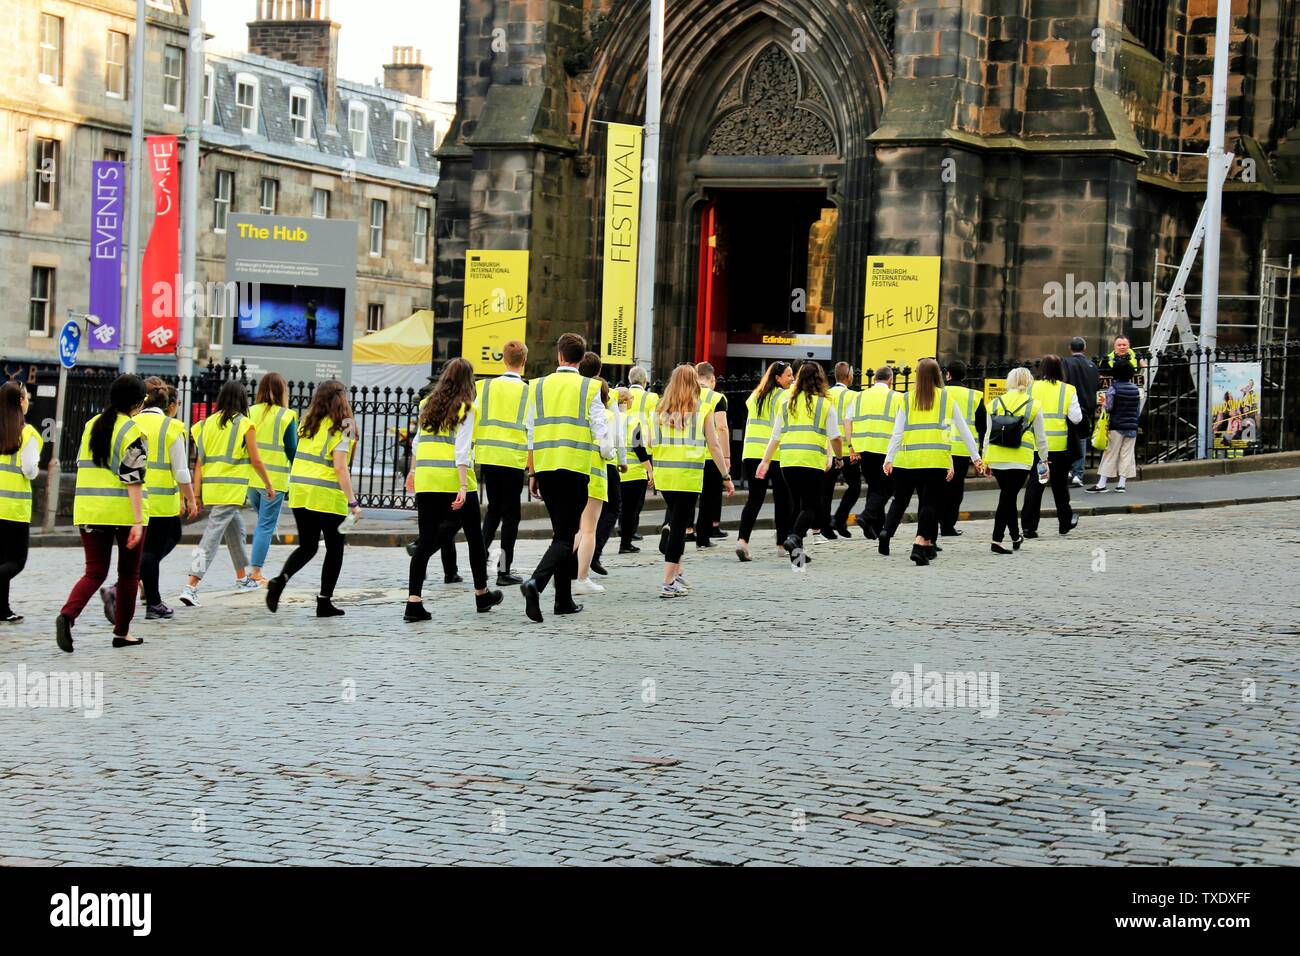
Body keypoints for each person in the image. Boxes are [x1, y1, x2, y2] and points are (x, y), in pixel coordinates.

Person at [519, 333, 613, 623]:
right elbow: (602, 432)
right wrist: (608, 454)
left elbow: (531, 431)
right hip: (574, 468)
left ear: (559, 356)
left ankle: (564, 601)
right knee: (566, 536)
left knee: (561, 531)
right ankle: (536, 582)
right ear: (582, 359)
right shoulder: (589, 388)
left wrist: (532, 471)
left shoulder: (537, 386)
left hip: (546, 467)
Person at [404, 357, 504, 619]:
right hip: (453, 479)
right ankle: (481, 595)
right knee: (473, 538)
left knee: (426, 539)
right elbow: (461, 449)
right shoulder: (467, 408)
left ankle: (413, 602)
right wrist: (462, 484)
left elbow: (417, 442)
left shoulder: (426, 405)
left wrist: (413, 471)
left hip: (427, 477)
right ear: (468, 382)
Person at [56, 374, 149, 652]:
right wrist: (137, 520)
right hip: (120, 512)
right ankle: (122, 633)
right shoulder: (132, 431)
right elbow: (134, 478)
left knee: (94, 572)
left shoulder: (91, 425)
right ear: (137, 402)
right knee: (129, 574)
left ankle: (67, 615)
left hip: (88, 508)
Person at [266, 380, 362, 617]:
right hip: (327, 495)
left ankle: (281, 579)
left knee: (308, 546)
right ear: (342, 399)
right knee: (335, 549)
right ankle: (324, 601)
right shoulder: (346, 425)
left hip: (300, 490)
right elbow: (341, 467)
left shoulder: (307, 423)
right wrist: (353, 502)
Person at [179, 380, 275, 607]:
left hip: (213, 490)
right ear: (243, 400)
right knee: (210, 539)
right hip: (231, 489)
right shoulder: (245, 424)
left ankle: (243, 578)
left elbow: (200, 464)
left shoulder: (203, 425)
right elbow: (256, 459)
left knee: (237, 528)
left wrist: (198, 494)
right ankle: (191, 585)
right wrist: (268, 484)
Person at [880, 358, 984, 565]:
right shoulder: (945, 398)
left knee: (908, 501)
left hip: (910, 460)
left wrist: (889, 458)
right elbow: (963, 431)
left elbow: (898, 433)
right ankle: (920, 542)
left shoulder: (907, 399)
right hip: (936, 459)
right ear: (938, 374)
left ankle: (925, 546)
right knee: (930, 504)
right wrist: (976, 457)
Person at [649, 364, 734, 597]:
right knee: (679, 528)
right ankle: (667, 581)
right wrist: (725, 475)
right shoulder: (702, 409)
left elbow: (647, 441)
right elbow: (714, 446)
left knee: (678, 521)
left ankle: (676, 574)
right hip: (687, 475)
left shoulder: (659, 410)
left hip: (664, 475)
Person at [755, 361, 844, 564]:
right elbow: (836, 438)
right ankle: (794, 538)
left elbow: (775, 436)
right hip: (811, 461)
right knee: (811, 506)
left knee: (797, 505)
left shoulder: (787, 404)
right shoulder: (824, 404)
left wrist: (765, 461)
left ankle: (797, 557)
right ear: (820, 379)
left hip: (788, 461)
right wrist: (839, 458)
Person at [134, 378, 198, 620]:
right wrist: (190, 497)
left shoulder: (132, 422)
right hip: (160, 502)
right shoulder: (172, 427)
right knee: (154, 551)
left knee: (152, 549)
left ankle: (152, 601)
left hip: (136, 497)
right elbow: (181, 470)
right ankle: (125, 589)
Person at [475, 339, 529, 586]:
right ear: (524, 361)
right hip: (513, 459)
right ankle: (503, 571)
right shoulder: (527, 391)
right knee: (511, 517)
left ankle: (479, 561)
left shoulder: (483, 387)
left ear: (503, 360)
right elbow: (532, 429)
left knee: (493, 511)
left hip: (488, 457)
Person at [983, 367, 1049, 554]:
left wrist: (985, 459)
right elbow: (1041, 438)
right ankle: (996, 540)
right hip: (1021, 458)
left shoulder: (995, 403)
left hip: (996, 456)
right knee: (1008, 497)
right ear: (1029, 382)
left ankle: (1014, 536)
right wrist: (1044, 460)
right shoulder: (1033, 405)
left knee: (1008, 496)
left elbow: (988, 435)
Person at [735, 361, 793, 561]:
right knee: (782, 500)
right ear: (778, 378)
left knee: (754, 498)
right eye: (788, 375)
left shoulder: (755, 395)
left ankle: (742, 541)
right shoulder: (783, 396)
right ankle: (781, 545)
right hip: (774, 454)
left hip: (751, 452)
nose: (792, 379)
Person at [1020, 354, 1082, 537]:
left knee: (1035, 485)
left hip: (1036, 447)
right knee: (1060, 487)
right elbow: (1076, 418)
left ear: (1042, 369)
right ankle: (1065, 522)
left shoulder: (1031, 388)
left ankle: (1028, 527)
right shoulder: (1068, 390)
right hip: (1059, 447)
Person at [247, 373, 298, 585]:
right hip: (274, 481)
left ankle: (253, 570)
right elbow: (292, 448)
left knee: (263, 524)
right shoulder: (286, 416)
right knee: (265, 526)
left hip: (252, 479)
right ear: (282, 391)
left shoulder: (250, 411)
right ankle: (256, 572)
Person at [574, 375, 622, 595]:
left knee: (573, 529)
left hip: (576, 471)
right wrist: (615, 456)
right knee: (589, 529)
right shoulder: (609, 414)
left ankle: (563, 570)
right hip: (597, 473)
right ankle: (581, 577)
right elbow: (609, 446)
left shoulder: (578, 415)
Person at [0, 383, 42, 624]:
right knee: (16, 561)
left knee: (1, 560)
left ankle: (2, 608)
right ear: (20, 402)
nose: (28, 401)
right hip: (13, 508)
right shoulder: (27, 434)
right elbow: (29, 470)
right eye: (26, 397)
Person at [939, 360, 986, 537]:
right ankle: (948, 525)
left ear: (948, 375)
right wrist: (980, 453)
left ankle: (935, 523)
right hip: (962, 450)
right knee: (956, 490)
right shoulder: (975, 396)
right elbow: (983, 427)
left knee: (938, 488)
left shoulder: (940, 393)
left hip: (940, 447)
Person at [852, 366, 899, 540]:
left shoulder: (860, 396)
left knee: (874, 488)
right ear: (890, 380)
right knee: (886, 489)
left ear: (874, 379)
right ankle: (866, 516)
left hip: (864, 448)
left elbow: (848, 420)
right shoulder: (896, 397)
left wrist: (852, 446)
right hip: (886, 450)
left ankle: (875, 528)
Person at [1087, 360, 1141, 493]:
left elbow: (1108, 407)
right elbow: (1137, 410)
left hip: (1116, 426)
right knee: (1127, 455)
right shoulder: (1135, 389)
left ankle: (1102, 484)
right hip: (1132, 426)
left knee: (1110, 454)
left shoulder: (1113, 388)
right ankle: (1121, 484)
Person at [619, 367, 658, 547]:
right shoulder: (652, 398)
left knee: (622, 502)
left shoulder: (619, 395)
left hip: (621, 451)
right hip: (641, 450)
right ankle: (630, 532)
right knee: (635, 502)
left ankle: (626, 531)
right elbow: (653, 422)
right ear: (645, 381)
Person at [690, 362, 729, 547]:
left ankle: (677, 527)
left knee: (687, 496)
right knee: (708, 498)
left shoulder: (687, 395)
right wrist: (726, 457)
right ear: (712, 379)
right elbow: (721, 427)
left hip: (689, 452)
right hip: (710, 455)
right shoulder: (717, 398)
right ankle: (703, 538)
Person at [823, 361, 860, 539]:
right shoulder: (854, 395)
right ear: (848, 376)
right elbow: (854, 422)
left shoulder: (825, 394)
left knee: (827, 489)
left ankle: (825, 526)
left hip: (829, 449)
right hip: (847, 450)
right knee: (855, 486)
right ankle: (840, 518)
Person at [1062, 337, 1100, 487]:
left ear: (1069, 348)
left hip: (1068, 406)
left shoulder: (1065, 362)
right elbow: (1096, 386)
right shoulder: (1092, 365)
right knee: (1082, 439)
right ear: (1084, 348)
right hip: (1086, 407)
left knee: (1067, 439)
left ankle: (1070, 470)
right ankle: (1078, 474)